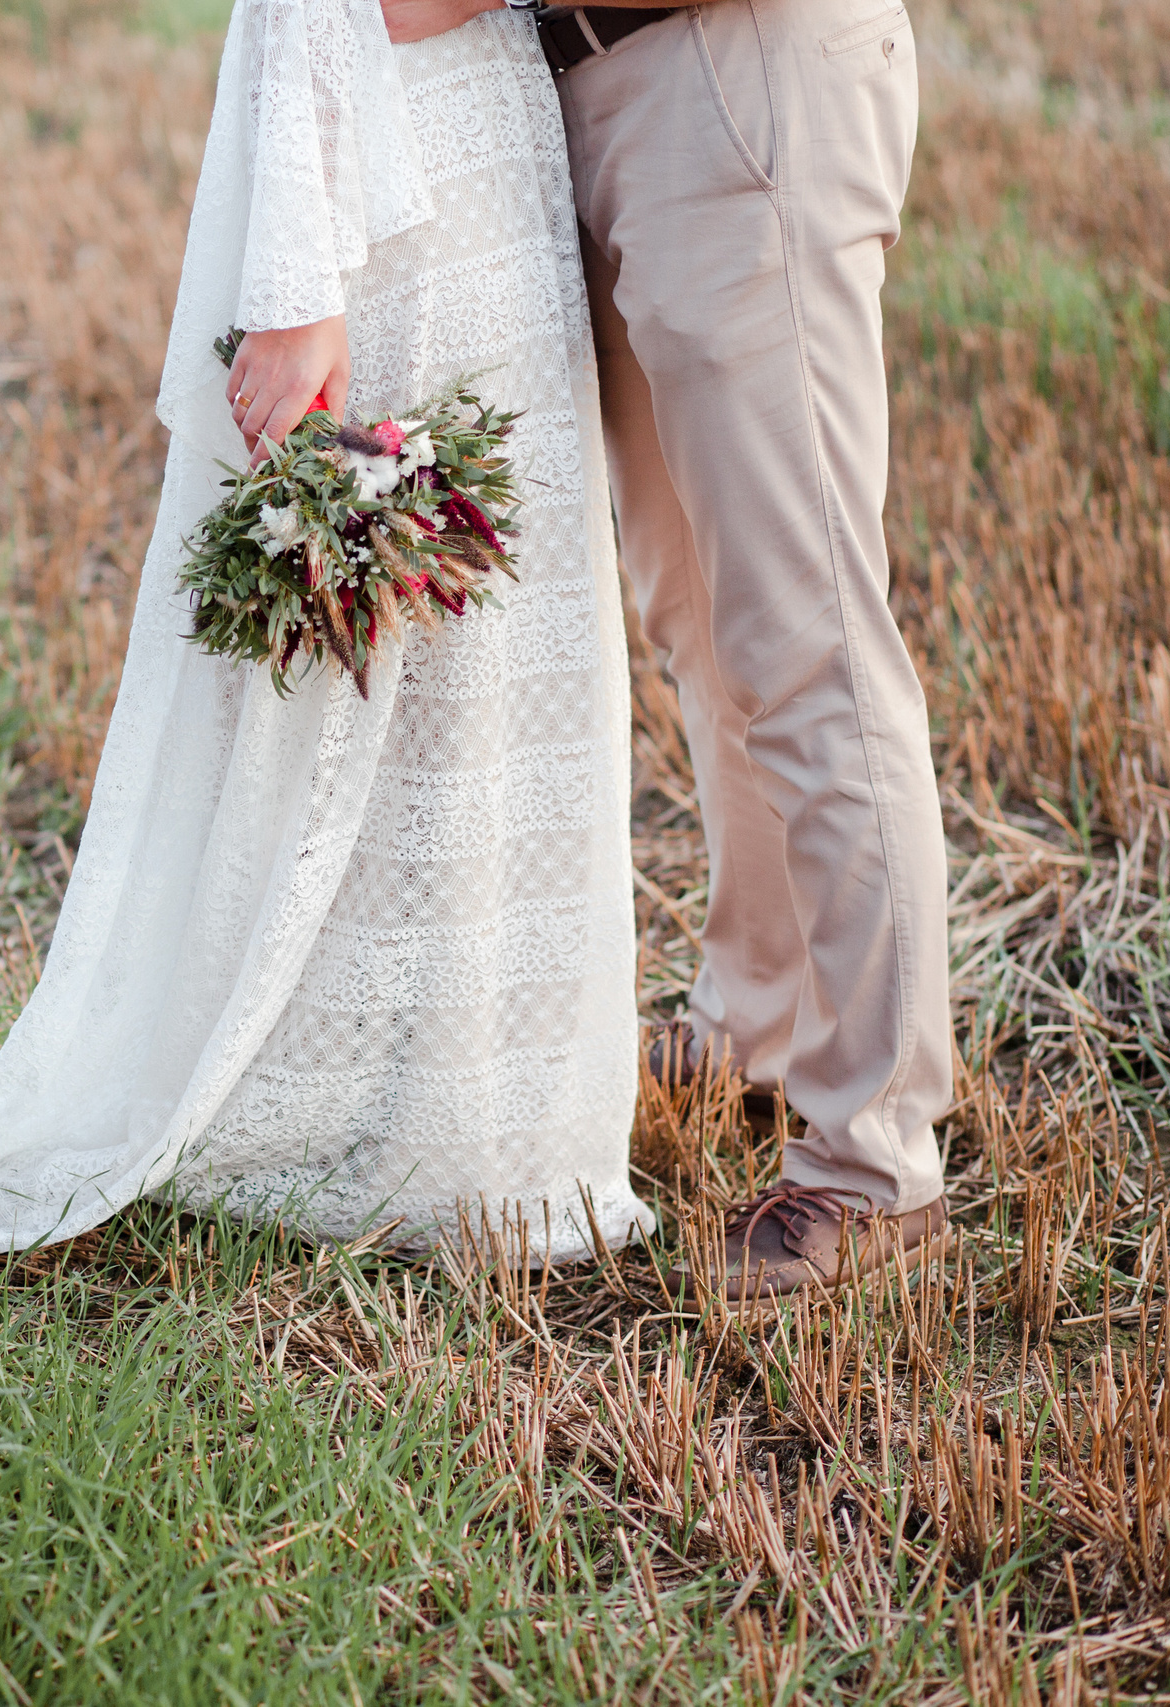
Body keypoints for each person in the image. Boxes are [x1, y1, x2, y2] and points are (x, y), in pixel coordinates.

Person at [0, 0, 654, 1263]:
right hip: (386, 153)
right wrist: (296, 277)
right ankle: (370, 1081)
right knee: (379, 625)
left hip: (453, 142)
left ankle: (459, 1090)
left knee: (469, 648)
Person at [381, 0, 955, 1301]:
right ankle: (756, 1017)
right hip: (595, 84)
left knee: (806, 638)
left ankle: (875, 1157)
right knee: (701, 621)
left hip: (728, 71)